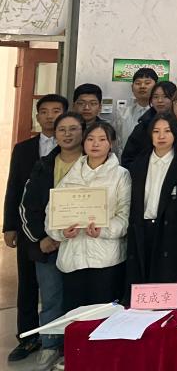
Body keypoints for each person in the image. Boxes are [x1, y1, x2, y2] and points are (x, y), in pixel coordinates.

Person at [20, 111, 83, 371]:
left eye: (73, 129)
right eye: (62, 130)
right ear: (55, 134)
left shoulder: (94, 162)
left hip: (83, 244)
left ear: (83, 132)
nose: (67, 134)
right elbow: (28, 206)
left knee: (80, 298)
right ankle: (49, 345)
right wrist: (42, 238)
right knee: (51, 297)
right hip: (48, 246)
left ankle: (75, 348)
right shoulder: (43, 165)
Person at [45, 120, 131, 312]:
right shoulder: (71, 175)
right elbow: (52, 214)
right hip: (72, 259)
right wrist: (61, 232)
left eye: (102, 139)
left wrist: (103, 230)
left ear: (111, 143)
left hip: (106, 259)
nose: (95, 144)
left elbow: (124, 217)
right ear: (83, 142)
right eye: (90, 139)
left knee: (103, 316)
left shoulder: (121, 175)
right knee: (75, 317)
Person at [4, 95, 63, 362]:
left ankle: (58, 338)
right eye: (45, 111)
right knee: (27, 282)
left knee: (58, 285)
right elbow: (14, 186)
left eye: (56, 111)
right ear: (37, 116)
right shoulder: (23, 148)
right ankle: (27, 338)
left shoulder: (73, 146)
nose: (50, 116)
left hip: (63, 228)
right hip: (29, 227)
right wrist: (9, 226)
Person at [125, 113, 177, 302]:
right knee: (142, 288)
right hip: (142, 230)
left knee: (168, 291)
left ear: (175, 134)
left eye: (167, 131)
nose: (161, 136)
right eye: (156, 131)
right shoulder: (139, 163)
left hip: (171, 234)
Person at [111, 68, 157, 157]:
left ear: (156, 87)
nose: (142, 86)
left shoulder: (161, 114)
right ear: (132, 87)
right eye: (138, 83)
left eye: (147, 83)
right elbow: (117, 143)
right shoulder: (122, 114)